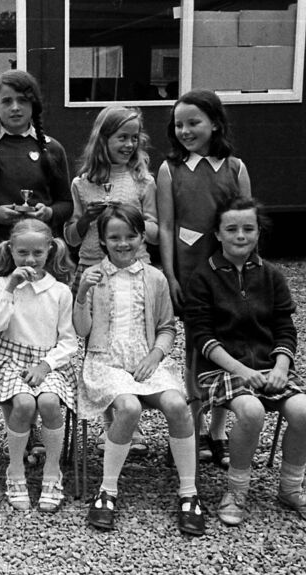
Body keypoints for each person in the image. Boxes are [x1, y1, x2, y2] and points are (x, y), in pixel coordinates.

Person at [73, 205, 204, 536]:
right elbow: (81, 329)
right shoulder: (93, 276)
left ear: (141, 237)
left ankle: (189, 493)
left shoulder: (155, 277)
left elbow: (167, 327)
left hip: (146, 359)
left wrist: (155, 355)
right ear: (102, 241)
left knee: (177, 405)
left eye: (130, 236)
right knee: (129, 407)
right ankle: (107, 491)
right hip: (106, 360)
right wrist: (82, 292)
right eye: (114, 237)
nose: (123, 243)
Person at [186, 197, 306, 526]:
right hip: (221, 369)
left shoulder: (272, 275)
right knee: (251, 411)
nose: (241, 235)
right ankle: (236, 490)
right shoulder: (202, 278)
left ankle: (290, 488)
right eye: (232, 229)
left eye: (248, 228)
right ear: (218, 233)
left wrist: (281, 367)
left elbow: (285, 328)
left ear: (258, 232)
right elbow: (203, 339)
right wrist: (243, 371)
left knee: (304, 411)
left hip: (269, 367)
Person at [157, 89, 251, 469]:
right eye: (179, 124)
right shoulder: (170, 169)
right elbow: (164, 225)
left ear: (214, 123)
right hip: (190, 267)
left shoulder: (235, 167)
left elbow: (247, 220)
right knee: (197, 345)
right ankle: (190, 429)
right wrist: (170, 274)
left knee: (225, 338)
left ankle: (218, 430)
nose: (185, 130)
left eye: (193, 122)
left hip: (228, 269)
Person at [64, 105, 159, 457]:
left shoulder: (142, 180)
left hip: (136, 270)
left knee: (132, 342)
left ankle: (126, 419)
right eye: (122, 137)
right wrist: (87, 221)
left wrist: (126, 217)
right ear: (103, 139)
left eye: (135, 138)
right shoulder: (82, 182)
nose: (129, 145)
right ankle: (111, 429)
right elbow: (71, 238)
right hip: (94, 269)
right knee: (100, 349)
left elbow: (156, 231)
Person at [0, 69, 72, 347]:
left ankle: (43, 376)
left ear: (35, 106)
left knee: (40, 320)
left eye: (23, 100)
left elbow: (66, 203)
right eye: (6, 101)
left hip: (38, 256)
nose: (15, 107)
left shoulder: (52, 149)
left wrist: (48, 213)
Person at [0, 219, 77, 513]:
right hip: (9, 360)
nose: (30, 260)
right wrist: (11, 286)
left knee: (51, 402)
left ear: (49, 252)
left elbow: (68, 342)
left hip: (48, 362)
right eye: (22, 253)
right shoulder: (1, 286)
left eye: (37, 253)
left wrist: (46, 365)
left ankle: (52, 472)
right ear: (11, 251)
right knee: (24, 404)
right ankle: (15, 470)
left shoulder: (60, 292)